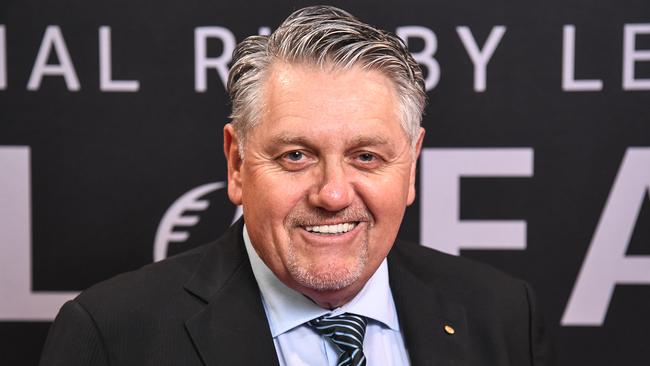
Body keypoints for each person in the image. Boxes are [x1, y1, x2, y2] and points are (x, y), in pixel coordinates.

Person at [40, 5, 552, 366]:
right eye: (296, 156)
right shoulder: (112, 337)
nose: (332, 194)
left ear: (411, 165)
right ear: (237, 164)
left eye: (366, 156)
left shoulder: (504, 316)